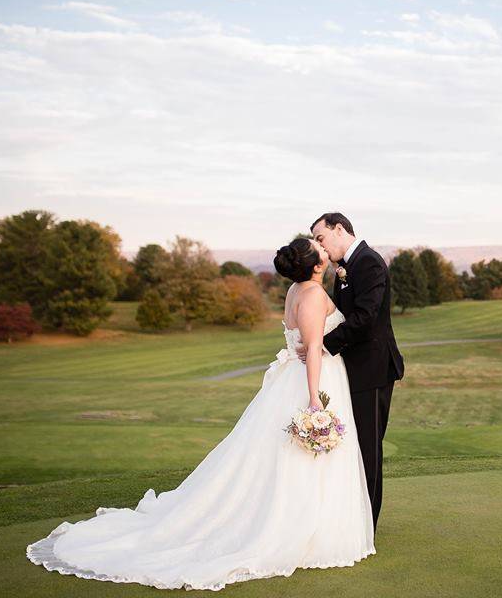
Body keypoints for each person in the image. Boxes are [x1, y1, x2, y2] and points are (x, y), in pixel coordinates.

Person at [26, 237, 375, 591]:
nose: (323, 249)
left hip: (290, 379)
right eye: (318, 250)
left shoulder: (295, 292)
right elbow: (314, 348)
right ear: (316, 265)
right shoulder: (313, 295)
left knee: (281, 459)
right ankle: (302, 532)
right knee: (301, 459)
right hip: (309, 382)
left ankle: (309, 525)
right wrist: (315, 399)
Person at [298, 212, 404, 533]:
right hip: (353, 371)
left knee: (368, 450)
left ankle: (366, 528)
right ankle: (351, 520)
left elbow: (365, 319)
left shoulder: (369, 263)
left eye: (320, 238)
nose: (320, 247)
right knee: (355, 449)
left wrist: (322, 345)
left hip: (372, 370)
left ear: (339, 229)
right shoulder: (344, 268)